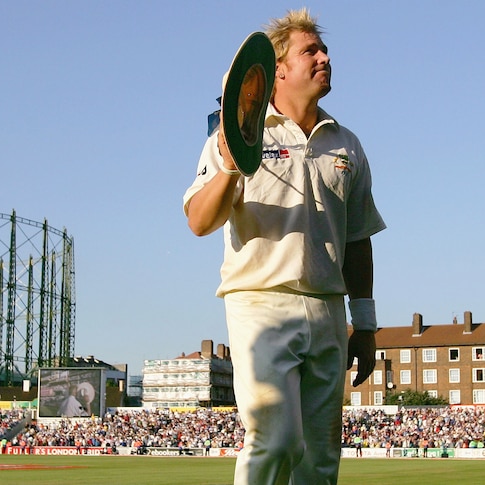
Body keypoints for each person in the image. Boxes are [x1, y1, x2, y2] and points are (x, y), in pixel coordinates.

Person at [183, 8, 386, 485]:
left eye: (324, 49)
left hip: (329, 309)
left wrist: (368, 325)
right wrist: (232, 165)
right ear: (277, 68)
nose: (325, 57)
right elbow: (198, 221)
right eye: (310, 51)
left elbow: (358, 241)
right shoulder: (233, 133)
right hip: (261, 303)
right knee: (275, 441)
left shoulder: (347, 144)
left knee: (319, 462)